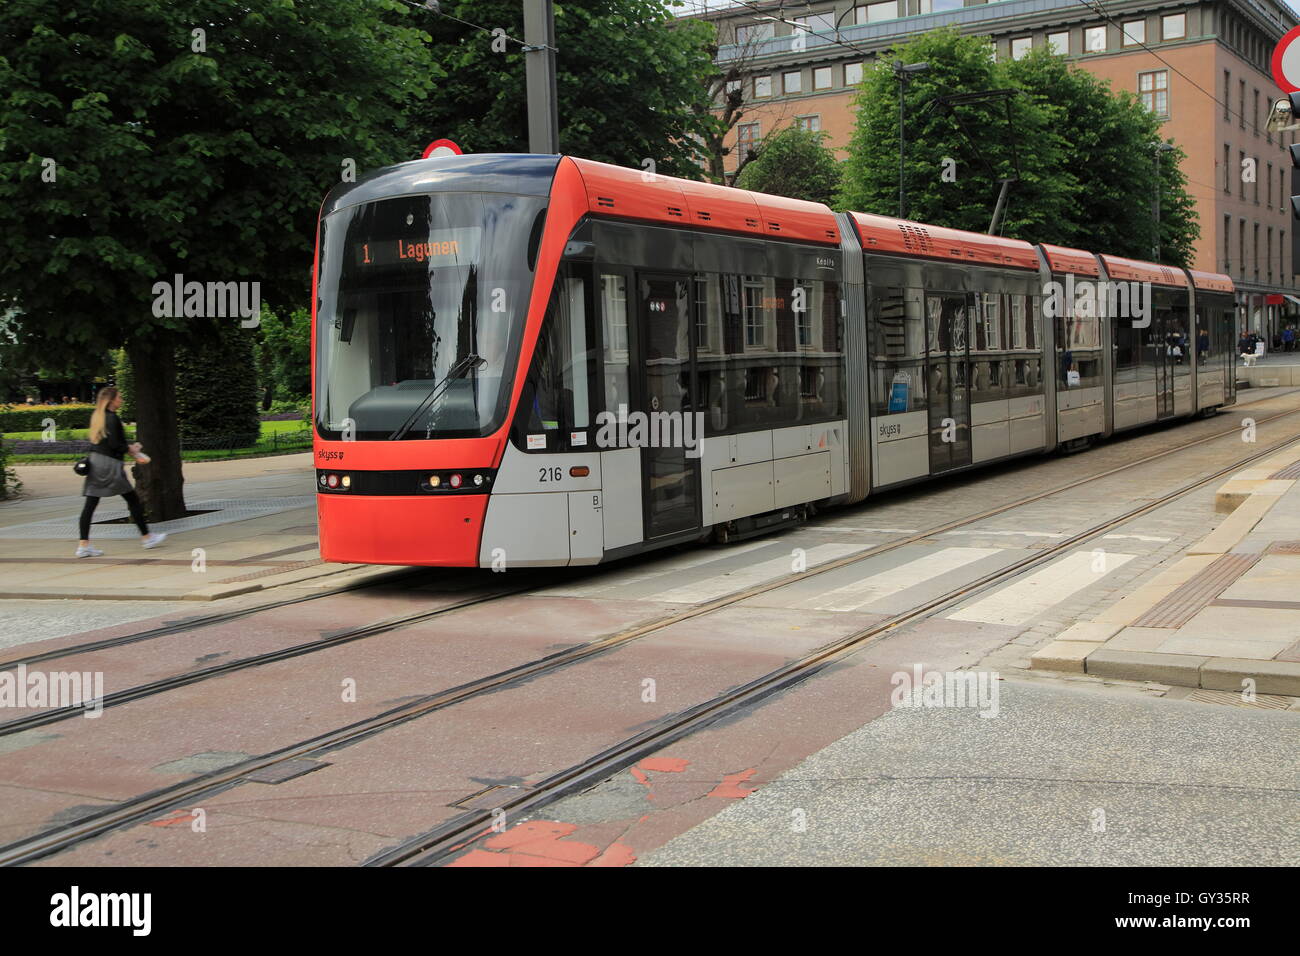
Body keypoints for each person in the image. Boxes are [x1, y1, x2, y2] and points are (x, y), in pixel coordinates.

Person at [75, 386, 166, 558]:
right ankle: (147, 538)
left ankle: (83, 545)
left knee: (90, 505)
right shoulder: (113, 418)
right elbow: (116, 445)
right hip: (110, 465)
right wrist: (133, 449)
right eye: (119, 397)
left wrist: (131, 450)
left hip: (95, 462)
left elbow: (104, 442)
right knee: (133, 500)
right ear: (111, 400)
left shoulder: (98, 417)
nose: (121, 400)